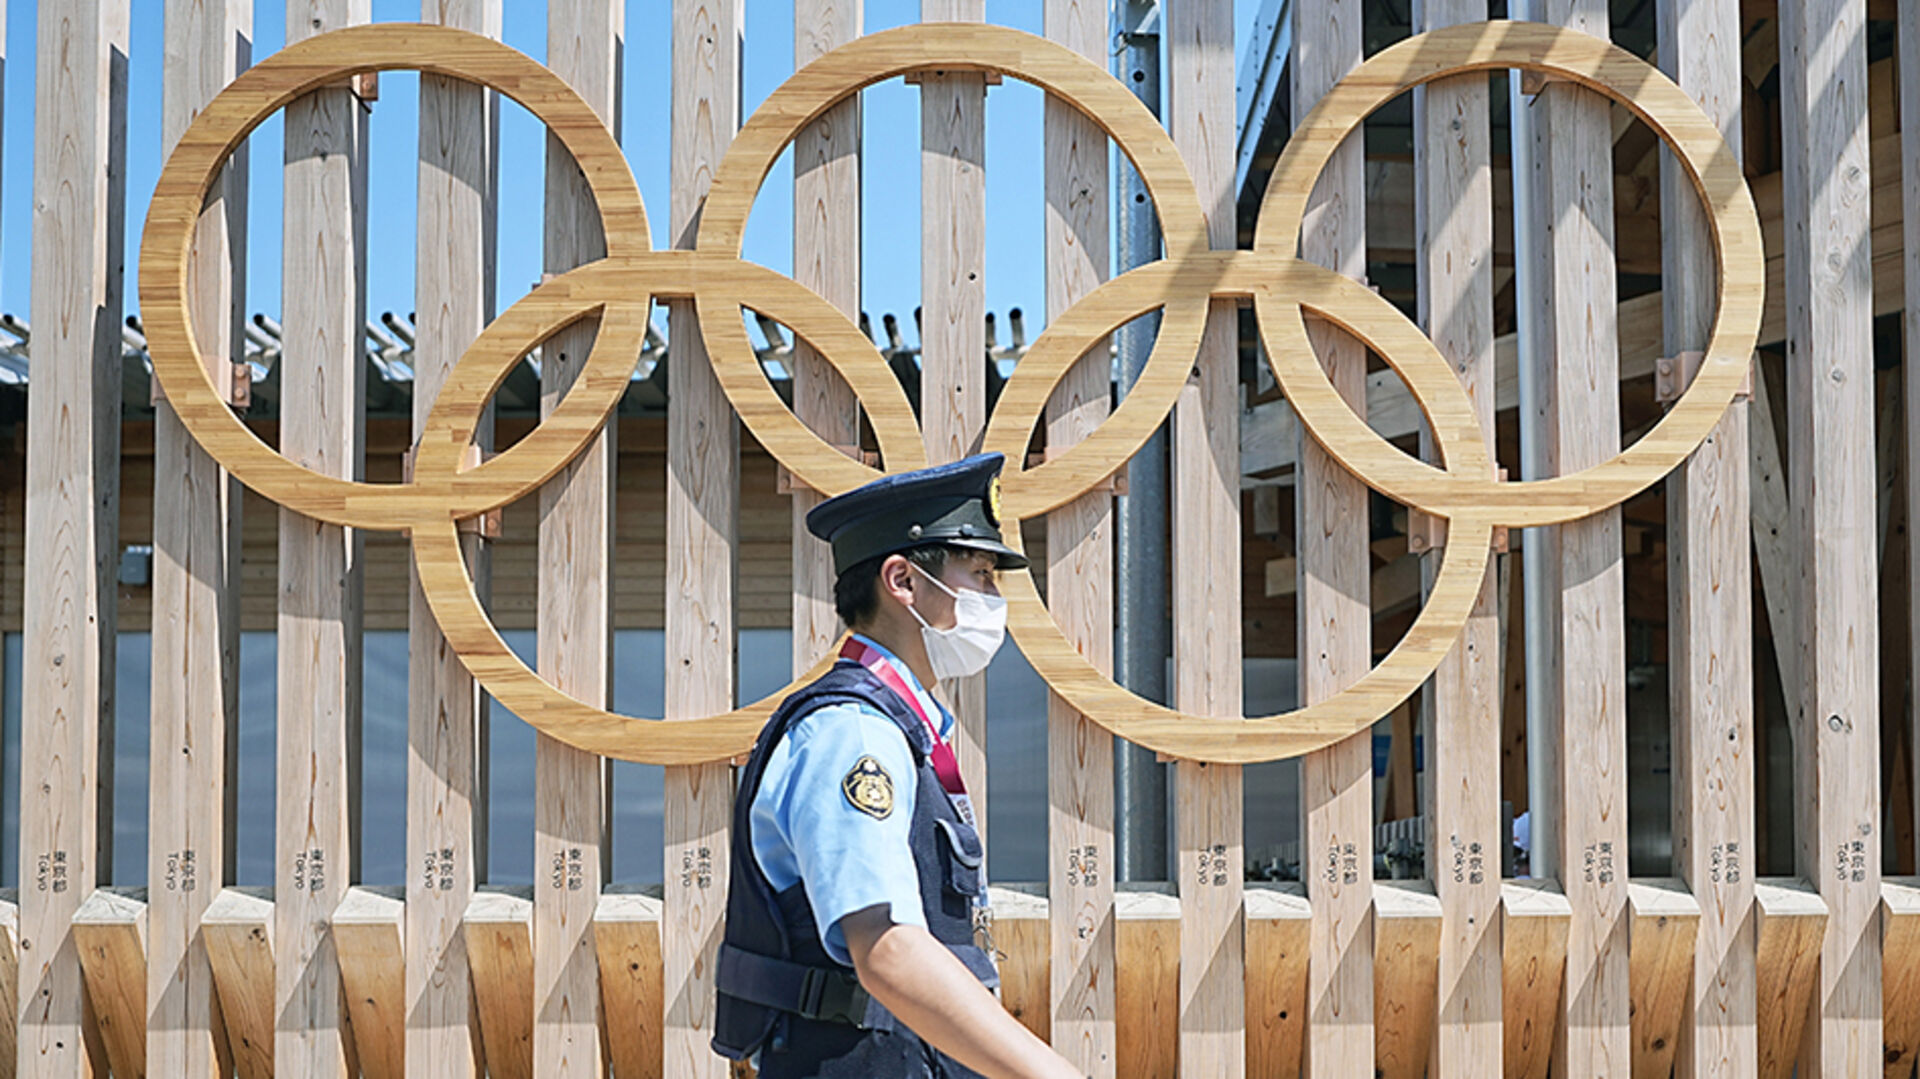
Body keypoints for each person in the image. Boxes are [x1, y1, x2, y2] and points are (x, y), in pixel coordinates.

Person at [712, 452, 1082, 1078]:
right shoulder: (854, 733)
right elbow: (887, 949)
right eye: (981, 574)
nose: (994, 599)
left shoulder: (896, 724)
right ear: (903, 581)